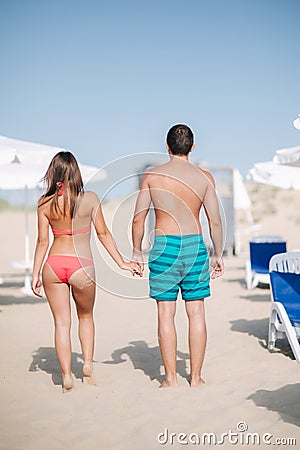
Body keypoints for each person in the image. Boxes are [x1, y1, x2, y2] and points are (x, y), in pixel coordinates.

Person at [32, 151, 142, 393]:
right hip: (81, 265)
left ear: (54, 174)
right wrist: (122, 262)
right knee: (85, 317)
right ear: (76, 173)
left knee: (61, 323)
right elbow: (103, 234)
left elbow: (42, 242)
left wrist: (35, 274)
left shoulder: (44, 203)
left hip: (53, 265)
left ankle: (66, 376)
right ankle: (88, 365)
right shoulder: (90, 199)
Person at [132, 124, 224, 388]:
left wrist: (137, 252)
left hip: (164, 247)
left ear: (167, 146)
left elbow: (139, 218)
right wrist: (217, 254)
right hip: (194, 246)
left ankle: (170, 378)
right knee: (196, 313)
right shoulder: (204, 177)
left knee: (165, 314)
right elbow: (215, 221)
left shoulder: (152, 175)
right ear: (192, 147)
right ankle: (195, 378)